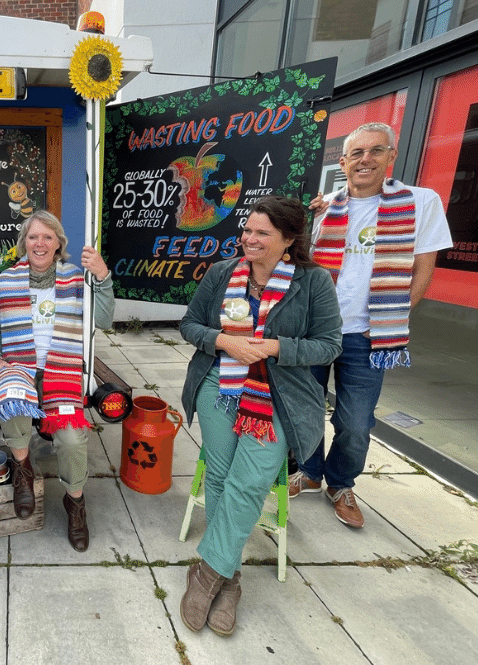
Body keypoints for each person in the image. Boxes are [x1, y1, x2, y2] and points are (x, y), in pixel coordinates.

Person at [179, 196, 342, 636]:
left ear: (288, 240)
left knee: (248, 482)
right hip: (220, 384)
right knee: (219, 474)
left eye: (261, 233)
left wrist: (274, 347)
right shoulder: (221, 273)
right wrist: (224, 342)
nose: (249, 239)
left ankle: (209, 573)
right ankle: (229, 579)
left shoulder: (313, 282)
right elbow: (190, 324)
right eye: (247, 230)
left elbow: (329, 345)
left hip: (279, 394)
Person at [290, 122, 453, 528]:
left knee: (356, 421)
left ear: (391, 157)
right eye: (356, 153)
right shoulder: (325, 206)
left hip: (369, 334)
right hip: (318, 329)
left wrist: (391, 318)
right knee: (306, 407)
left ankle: (341, 483)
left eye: (376, 151)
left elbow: (424, 270)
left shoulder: (420, 201)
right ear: (342, 161)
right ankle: (309, 473)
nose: (365, 159)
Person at [0, 210, 114, 552]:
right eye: (32, 237)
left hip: (63, 368)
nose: (39, 243)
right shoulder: (7, 279)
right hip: (20, 366)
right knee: (12, 399)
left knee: (72, 441)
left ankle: (75, 502)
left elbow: (104, 319)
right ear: (23, 243)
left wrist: (101, 276)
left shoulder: (77, 277)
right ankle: (23, 470)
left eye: (47, 237)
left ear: (59, 243)